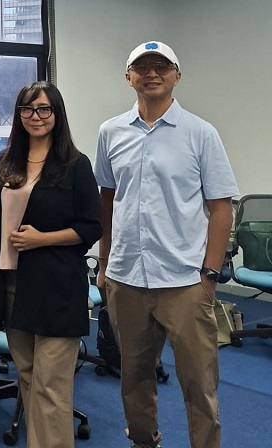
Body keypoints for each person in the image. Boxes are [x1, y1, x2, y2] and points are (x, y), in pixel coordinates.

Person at [94, 41, 238, 448]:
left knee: (199, 384)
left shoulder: (201, 133)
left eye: (162, 66)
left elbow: (221, 209)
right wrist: (104, 265)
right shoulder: (110, 132)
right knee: (134, 379)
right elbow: (107, 200)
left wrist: (210, 275)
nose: (152, 73)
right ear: (129, 77)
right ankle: (144, 441)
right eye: (142, 67)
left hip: (185, 281)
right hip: (126, 278)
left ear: (177, 75)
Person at [0, 81, 101, 448]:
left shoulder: (75, 165)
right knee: (30, 378)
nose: (35, 116)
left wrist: (41, 239)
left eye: (44, 108)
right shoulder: (5, 161)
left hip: (56, 286)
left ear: (56, 113)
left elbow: (91, 227)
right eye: (27, 109)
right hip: (12, 285)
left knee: (51, 386)